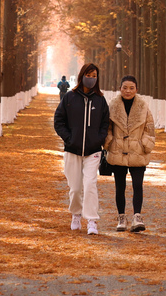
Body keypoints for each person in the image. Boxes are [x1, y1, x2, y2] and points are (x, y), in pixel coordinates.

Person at [53, 63, 110, 235]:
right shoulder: (69, 98)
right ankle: (76, 214)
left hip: (93, 151)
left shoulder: (100, 100)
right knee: (75, 188)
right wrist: (69, 138)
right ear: (81, 75)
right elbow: (58, 120)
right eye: (88, 75)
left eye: (94, 75)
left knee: (90, 185)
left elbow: (105, 123)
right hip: (72, 150)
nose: (91, 78)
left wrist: (99, 139)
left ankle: (92, 220)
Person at [105, 75, 156, 232]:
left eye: (131, 88)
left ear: (136, 89)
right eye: (125, 87)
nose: (128, 91)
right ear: (120, 88)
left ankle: (137, 217)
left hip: (137, 151)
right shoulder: (112, 105)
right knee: (119, 186)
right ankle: (121, 217)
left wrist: (145, 145)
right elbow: (106, 127)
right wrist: (109, 142)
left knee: (137, 185)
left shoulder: (143, 106)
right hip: (118, 151)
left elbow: (150, 128)